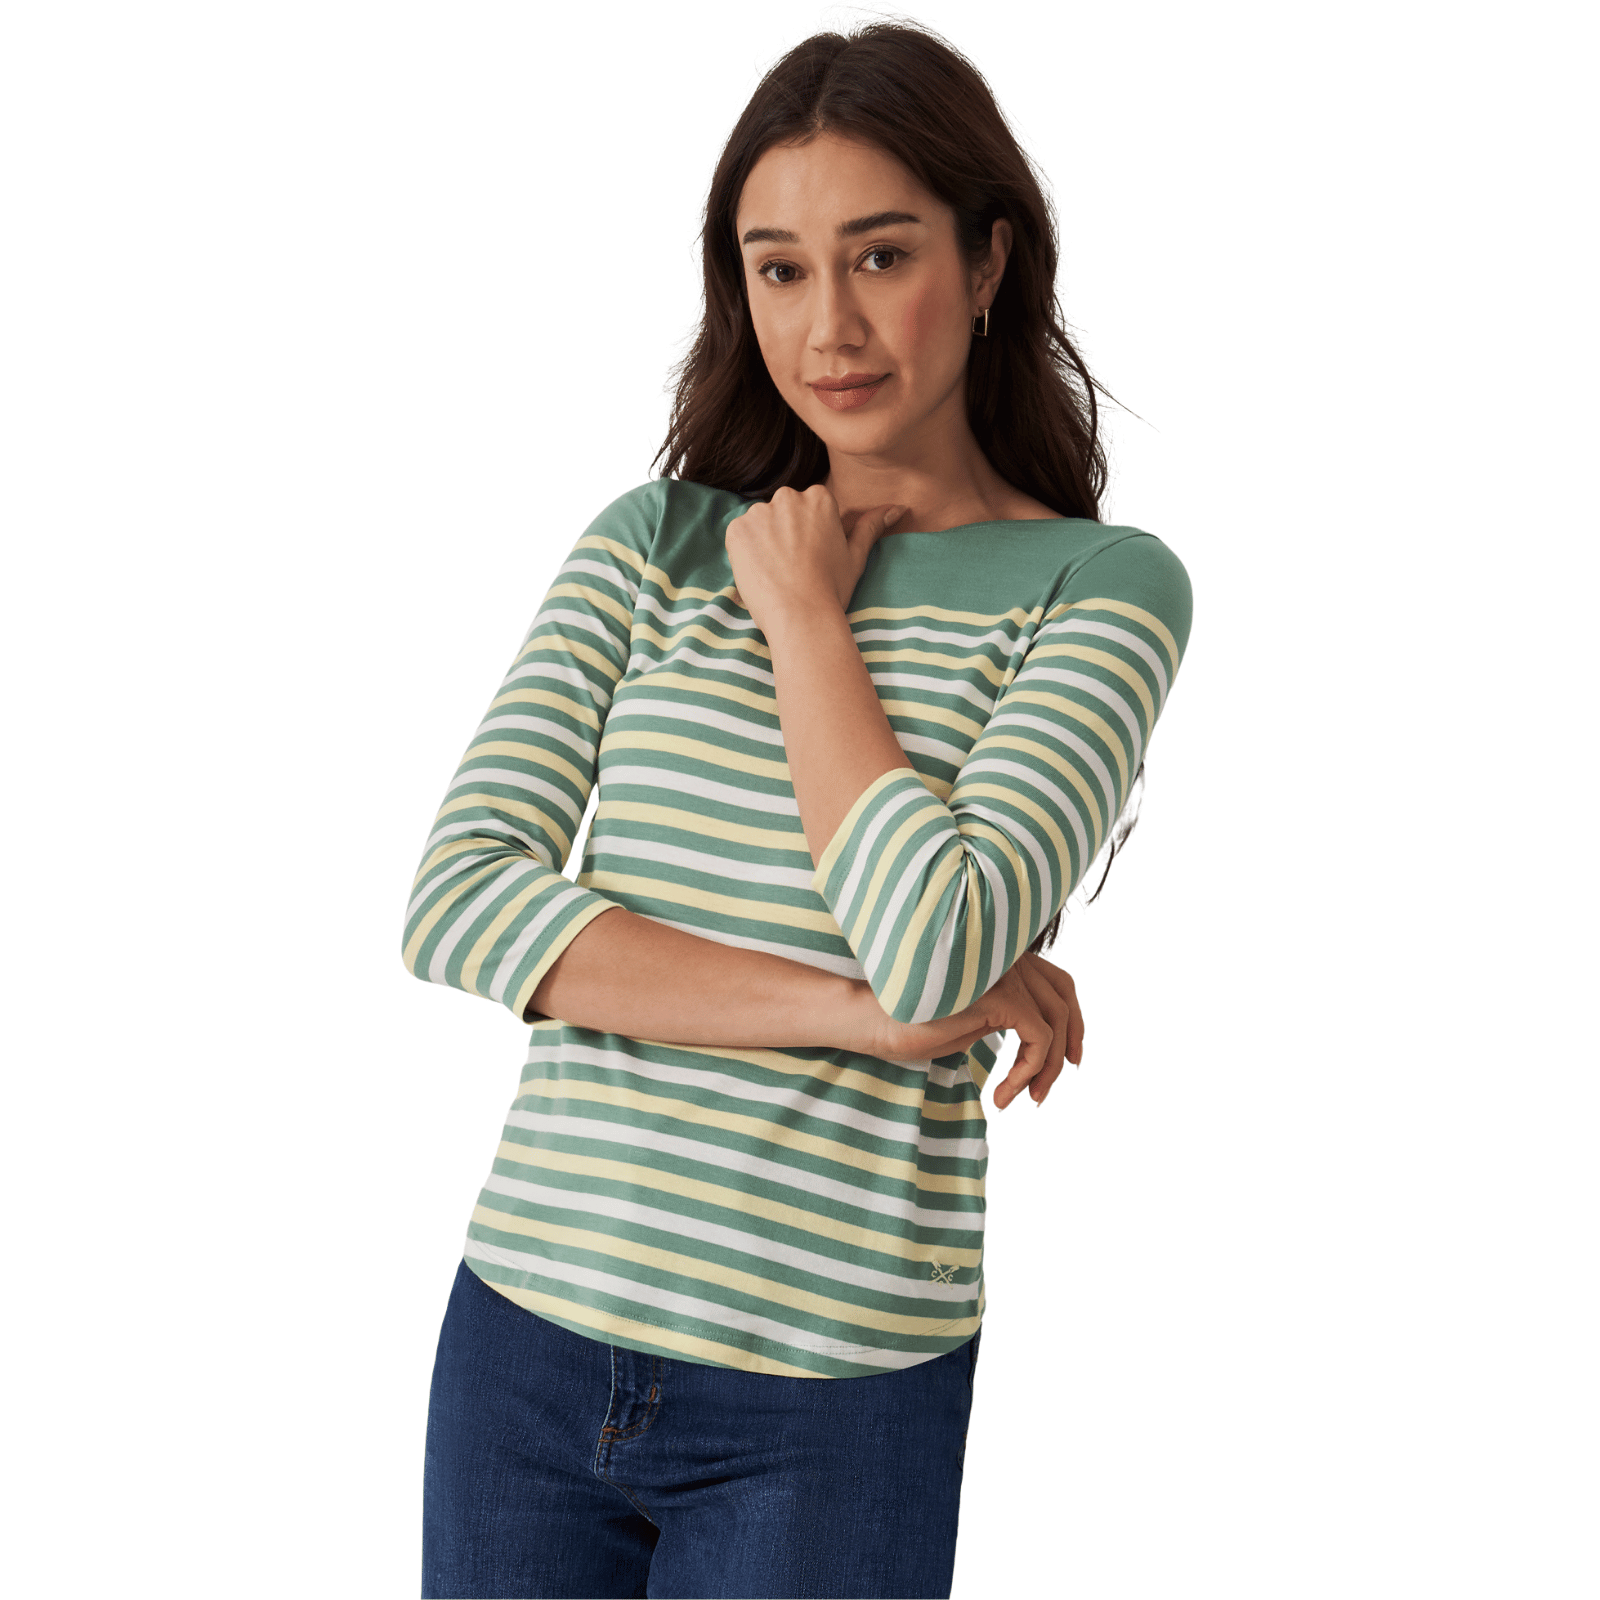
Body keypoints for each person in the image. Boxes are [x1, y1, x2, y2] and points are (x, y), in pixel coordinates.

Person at [403, 21, 1193, 1600]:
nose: (828, 325)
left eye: (880, 256)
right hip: (526, 1338)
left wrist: (808, 623)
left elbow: (933, 947)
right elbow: (460, 903)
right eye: (779, 269)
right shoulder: (656, 542)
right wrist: (854, 1019)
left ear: (987, 261)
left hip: (829, 1387)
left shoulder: (1099, 590)